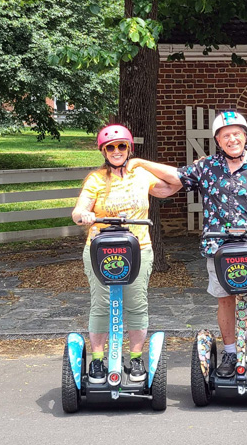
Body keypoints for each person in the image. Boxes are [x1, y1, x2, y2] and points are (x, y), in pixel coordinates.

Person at [130, 111, 247, 380]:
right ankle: (229, 353)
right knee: (224, 300)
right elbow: (175, 177)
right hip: (219, 248)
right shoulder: (207, 167)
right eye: (226, 135)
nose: (232, 139)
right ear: (217, 140)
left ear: (246, 136)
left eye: (237, 133)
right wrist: (138, 163)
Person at [70, 124, 180, 384]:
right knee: (101, 304)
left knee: (136, 304)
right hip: (101, 249)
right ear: (104, 151)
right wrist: (84, 215)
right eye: (111, 147)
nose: (116, 151)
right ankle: (98, 360)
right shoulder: (96, 179)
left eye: (122, 146)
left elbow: (175, 182)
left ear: (129, 149)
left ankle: (135, 358)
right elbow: (77, 212)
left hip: (138, 248)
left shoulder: (141, 175)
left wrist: (142, 162)